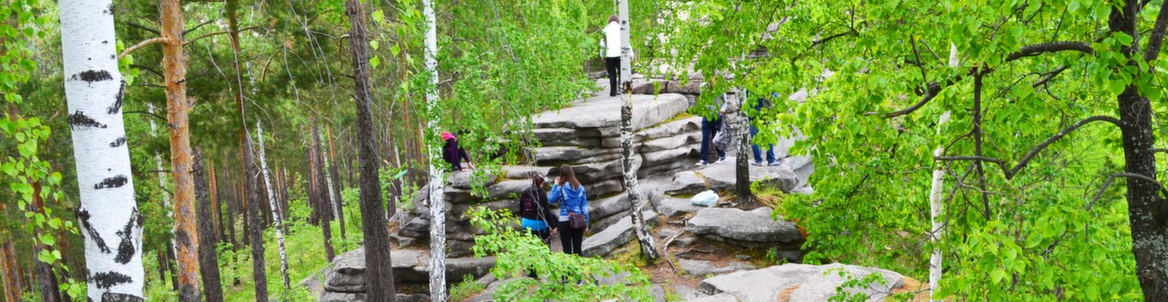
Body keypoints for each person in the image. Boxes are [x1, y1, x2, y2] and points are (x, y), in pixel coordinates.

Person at [519, 172, 555, 278]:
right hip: (538, 223)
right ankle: (548, 268)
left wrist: (524, 219)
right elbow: (547, 212)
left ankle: (531, 272)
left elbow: (521, 207)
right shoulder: (542, 193)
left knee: (530, 247)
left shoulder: (525, 191)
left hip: (526, 222)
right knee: (545, 244)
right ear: (542, 183)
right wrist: (553, 226)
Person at [549, 164, 588, 256]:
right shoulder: (581, 188)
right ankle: (580, 269)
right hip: (578, 221)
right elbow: (584, 208)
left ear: (562, 175)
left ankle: (569, 270)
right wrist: (586, 223)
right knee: (578, 249)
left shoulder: (560, 188)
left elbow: (550, 200)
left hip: (564, 221)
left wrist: (555, 185)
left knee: (567, 251)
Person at [746, 91, 779, 166]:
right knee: (768, 136)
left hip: (753, 115)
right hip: (766, 114)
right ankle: (771, 160)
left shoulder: (749, 84)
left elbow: (748, 100)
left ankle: (758, 160)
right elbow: (776, 96)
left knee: (755, 137)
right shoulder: (767, 82)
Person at [698, 92, 728, 166]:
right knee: (705, 137)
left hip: (716, 116)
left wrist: (722, 110)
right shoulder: (703, 86)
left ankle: (722, 156)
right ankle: (703, 160)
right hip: (706, 116)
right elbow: (702, 99)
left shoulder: (720, 87)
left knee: (716, 137)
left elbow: (725, 102)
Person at [603, 14, 622, 96]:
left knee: (612, 74)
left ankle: (613, 92)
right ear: (617, 21)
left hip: (609, 54)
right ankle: (621, 88)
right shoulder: (621, 29)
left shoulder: (605, 30)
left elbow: (602, 44)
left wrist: (602, 55)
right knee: (621, 72)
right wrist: (630, 53)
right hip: (619, 54)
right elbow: (626, 42)